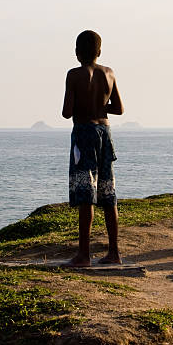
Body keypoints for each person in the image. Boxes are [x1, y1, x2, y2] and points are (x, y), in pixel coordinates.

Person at [62, 30, 124, 266]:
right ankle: (114, 253)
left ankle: (84, 254)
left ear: (77, 53)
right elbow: (118, 108)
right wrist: (100, 105)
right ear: (99, 52)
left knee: (86, 194)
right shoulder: (109, 73)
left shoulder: (74, 75)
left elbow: (67, 112)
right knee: (108, 193)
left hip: (84, 134)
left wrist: (83, 105)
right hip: (104, 133)